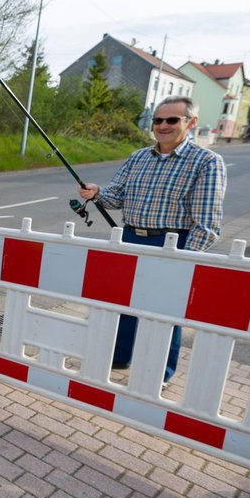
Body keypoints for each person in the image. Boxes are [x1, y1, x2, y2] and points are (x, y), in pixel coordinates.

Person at [78, 95, 226, 384]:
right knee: (125, 302)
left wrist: (184, 258)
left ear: (191, 122)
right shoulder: (138, 157)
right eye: (158, 120)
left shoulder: (206, 162)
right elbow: (115, 197)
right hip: (131, 236)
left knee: (165, 310)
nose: (163, 125)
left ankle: (160, 372)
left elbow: (207, 225)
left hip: (172, 243)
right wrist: (96, 192)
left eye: (172, 120)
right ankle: (120, 356)